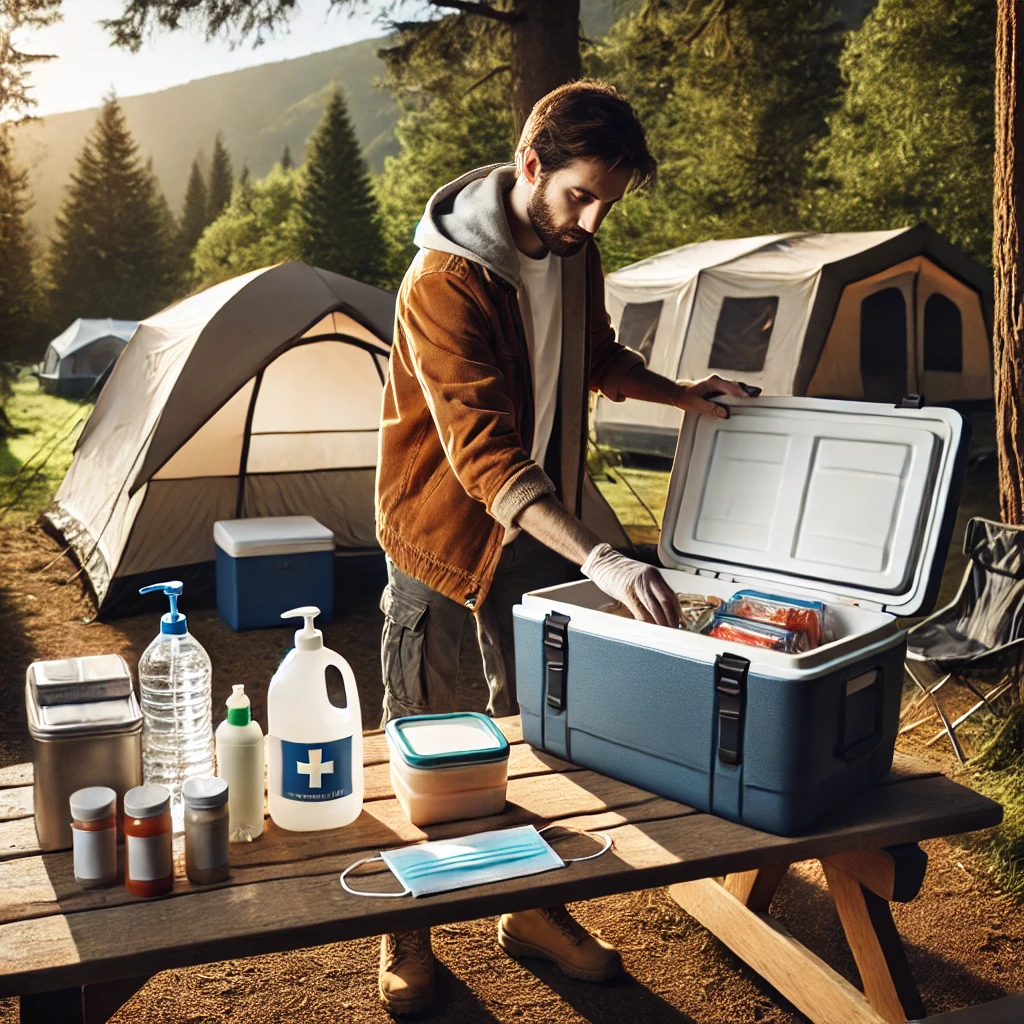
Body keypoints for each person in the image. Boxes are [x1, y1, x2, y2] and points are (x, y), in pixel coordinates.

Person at [374, 79, 752, 1015]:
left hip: (545, 528)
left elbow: (593, 359)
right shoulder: (444, 281)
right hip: (447, 536)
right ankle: (405, 931)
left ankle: (533, 910)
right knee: (430, 739)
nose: (592, 218)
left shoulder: (576, 250)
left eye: (607, 202)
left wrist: (680, 395)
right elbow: (482, 456)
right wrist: (606, 559)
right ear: (530, 166)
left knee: (542, 736)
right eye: (580, 195)